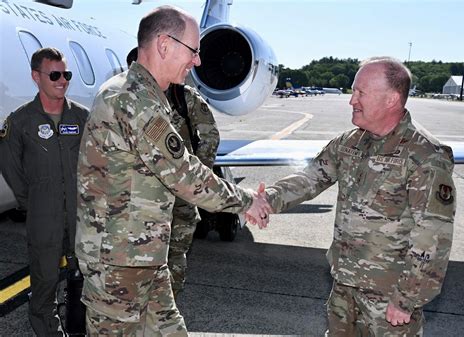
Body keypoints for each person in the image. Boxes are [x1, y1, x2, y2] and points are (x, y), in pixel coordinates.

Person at [75, 6, 269, 336]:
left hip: (144, 256)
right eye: (193, 51)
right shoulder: (132, 99)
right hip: (118, 262)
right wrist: (246, 200)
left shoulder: (149, 96)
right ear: (165, 45)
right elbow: (185, 175)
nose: (197, 62)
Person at [252, 57, 456, 336]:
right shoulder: (350, 143)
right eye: (353, 91)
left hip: (389, 301)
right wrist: (266, 199)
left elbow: (432, 237)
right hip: (343, 289)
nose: (352, 100)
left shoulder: (425, 156)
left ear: (391, 99)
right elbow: (309, 179)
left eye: (361, 92)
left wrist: (407, 299)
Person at [0, 47, 89, 337]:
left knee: (83, 280)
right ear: (36, 77)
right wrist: (37, 202)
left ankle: (78, 330)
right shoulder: (21, 122)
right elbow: (11, 169)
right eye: (55, 74)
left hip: (80, 217)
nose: (63, 80)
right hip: (43, 218)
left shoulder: (83, 118)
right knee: (44, 283)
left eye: (66, 74)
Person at [131, 46, 221, 298]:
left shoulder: (185, 97)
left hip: (179, 195)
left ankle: (168, 308)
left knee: (175, 255)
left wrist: (196, 177)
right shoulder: (128, 101)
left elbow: (210, 136)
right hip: (142, 197)